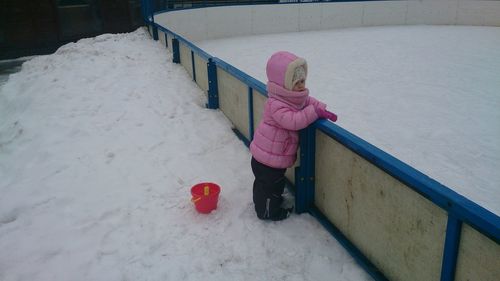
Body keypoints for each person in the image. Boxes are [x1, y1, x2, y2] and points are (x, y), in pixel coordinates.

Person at [249, 51, 337, 221]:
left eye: (303, 81)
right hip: (268, 160)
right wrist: (314, 112)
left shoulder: (291, 96)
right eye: (297, 83)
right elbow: (293, 121)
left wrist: (321, 107)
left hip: (270, 156)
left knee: (266, 186)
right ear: (284, 85)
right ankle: (269, 212)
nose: (302, 86)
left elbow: (307, 100)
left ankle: (265, 202)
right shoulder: (276, 104)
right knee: (270, 186)